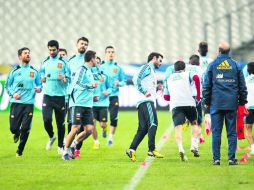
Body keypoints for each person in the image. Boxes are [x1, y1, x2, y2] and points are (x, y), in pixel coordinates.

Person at [203, 41, 247, 166]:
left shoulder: (212, 65)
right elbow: (242, 86)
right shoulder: (236, 65)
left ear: (219, 50)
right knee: (231, 132)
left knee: (216, 132)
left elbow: (206, 85)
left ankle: (216, 159)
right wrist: (242, 101)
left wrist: (207, 101)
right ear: (229, 51)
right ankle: (231, 159)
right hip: (231, 103)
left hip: (216, 103)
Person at [126, 52, 164, 162]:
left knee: (142, 129)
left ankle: (131, 150)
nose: (160, 63)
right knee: (153, 123)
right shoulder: (147, 67)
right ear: (154, 58)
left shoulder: (151, 71)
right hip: (146, 101)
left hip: (143, 101)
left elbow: (145, 82)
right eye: (160, 60)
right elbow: (135, 79)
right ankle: (152, 149)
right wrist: (144, 91)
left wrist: (156, 87)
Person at [5, 47, 42, 157]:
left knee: (25, 128)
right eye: (25, 53)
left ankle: (20, 151)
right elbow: (8, 85)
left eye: (29, 53)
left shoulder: (34, 71)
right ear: (20, 57)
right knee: (13, 128)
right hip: (16, 103)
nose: (28, 54)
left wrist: (39, 89)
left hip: (29, 104)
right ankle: (15, 133)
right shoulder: (14, 72)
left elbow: (40, 84)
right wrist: (13, 94)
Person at [62, 50, 97, 160]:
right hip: (78, 103)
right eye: (95, 58)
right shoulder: (82, 69)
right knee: (75, 128)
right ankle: (65, 152)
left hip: (87, 105)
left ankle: (74, 144)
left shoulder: (90, 71)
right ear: (91, 59)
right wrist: (91, 86)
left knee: (90, 130)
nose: (96, 60)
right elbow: (77, 83)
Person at [164, 60, 201, 161]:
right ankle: (194, 145)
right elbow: (197, 78)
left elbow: (166, 97)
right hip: (189, 103)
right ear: (184, 68)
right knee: (194, 123)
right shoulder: (187, 74)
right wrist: (198, 95)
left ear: (174, 69)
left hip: (176, 105)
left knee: (178, 128)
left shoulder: (169, 79)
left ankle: (180, 148)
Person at [40, 40, 70, 154]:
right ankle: (52, 136)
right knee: (47, 120)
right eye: (50, 50)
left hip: (60, 97)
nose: (52, 52)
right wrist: (42, 77)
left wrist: (64, 78)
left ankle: (60, 146)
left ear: (58, 49)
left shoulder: (64, 62)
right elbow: (41, 73)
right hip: (48, 96)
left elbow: (69, 79)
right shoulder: (45, 61)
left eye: (54, 50)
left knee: (60, 123)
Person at [68, 37, 89, 158]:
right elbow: (68, 77)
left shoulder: (89, 61)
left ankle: (76, 149)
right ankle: (67, 148)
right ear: (77, 45)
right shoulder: (70, 61)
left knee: (83, 127)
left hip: (85, 99)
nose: (83, 46)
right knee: (72, 125)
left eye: (86, 44)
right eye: (82, 44)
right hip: (73, 99)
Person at [100, 46, 126, 146]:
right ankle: (104, 128)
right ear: (105, 54)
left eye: (112, 52)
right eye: (108, 52)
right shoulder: (101, 67)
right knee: (102, 122)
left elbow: (124, 81)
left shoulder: (118, 68)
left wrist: (119, 83)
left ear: (114, 54)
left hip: (114, 95)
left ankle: (110, 138)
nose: (111, 54)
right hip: (103, 97)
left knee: (114, 118)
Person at [91, 57, 112, 149]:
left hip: (103, 104)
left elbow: (110, 88)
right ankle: (96, 142)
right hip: (91, 104)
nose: (97, 64)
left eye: (98, 63)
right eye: (95, 62)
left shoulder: (105, 76)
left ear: (100, 64)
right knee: (92, 124)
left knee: (103, 124)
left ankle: (104, 129)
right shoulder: (89, 75)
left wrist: (108, 91)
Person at [186, 55, 205, 144]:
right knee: (199, 120)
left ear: (190, 62)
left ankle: (186, 120)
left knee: (192, 120)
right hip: (197, 96)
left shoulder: (185, 68)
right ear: (198, 62)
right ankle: (197, 139)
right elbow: (204, 82)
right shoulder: (201, 70)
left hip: (187, 97)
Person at [244, 62, 254, 155]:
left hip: (250, 107)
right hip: (250, 106)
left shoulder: (245, 80)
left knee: (248, 128)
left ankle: (253, 147)